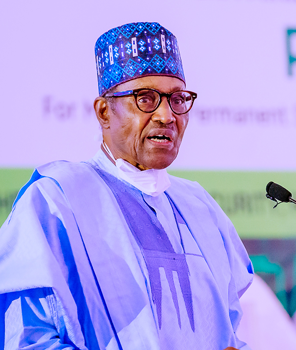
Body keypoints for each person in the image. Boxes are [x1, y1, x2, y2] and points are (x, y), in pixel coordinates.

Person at [0, 22, 253, 350]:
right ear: (104, 111)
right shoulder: (56, 200)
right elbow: (26, 340)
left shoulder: (201, 209)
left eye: (177, 99)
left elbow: (228, 333)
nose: (166, 115)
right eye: (146, 99)